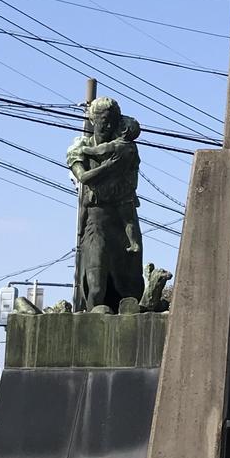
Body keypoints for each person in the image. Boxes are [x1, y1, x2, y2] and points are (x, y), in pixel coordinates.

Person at [67, 97, 144, 311]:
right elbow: (83, 177)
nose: (108, 125)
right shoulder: (80, 147)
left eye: (112, 120)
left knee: (130, 287)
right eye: (103, 120)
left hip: (123, 219)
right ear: (93, 120)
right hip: (95, 221)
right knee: (96, 285)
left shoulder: (124, 148)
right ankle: (91, 320)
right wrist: (108, 168)